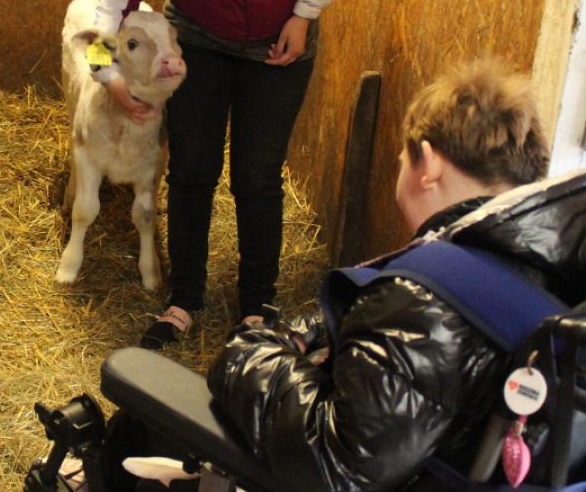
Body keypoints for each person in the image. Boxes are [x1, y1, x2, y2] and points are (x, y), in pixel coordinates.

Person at [90, 59, 586, 491]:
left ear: (428, 164)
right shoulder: (545, 269)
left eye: (400, 162)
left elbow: (335, 467)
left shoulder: (427, 299)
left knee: (141, 419)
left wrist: (250, 352)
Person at [90, 0, 365, 348]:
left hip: (278, 39)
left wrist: (305, 13)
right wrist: (105, 68)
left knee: (256, 175)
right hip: (198, 32)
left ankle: (257, 308)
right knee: (191, 169)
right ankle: (184, 299)